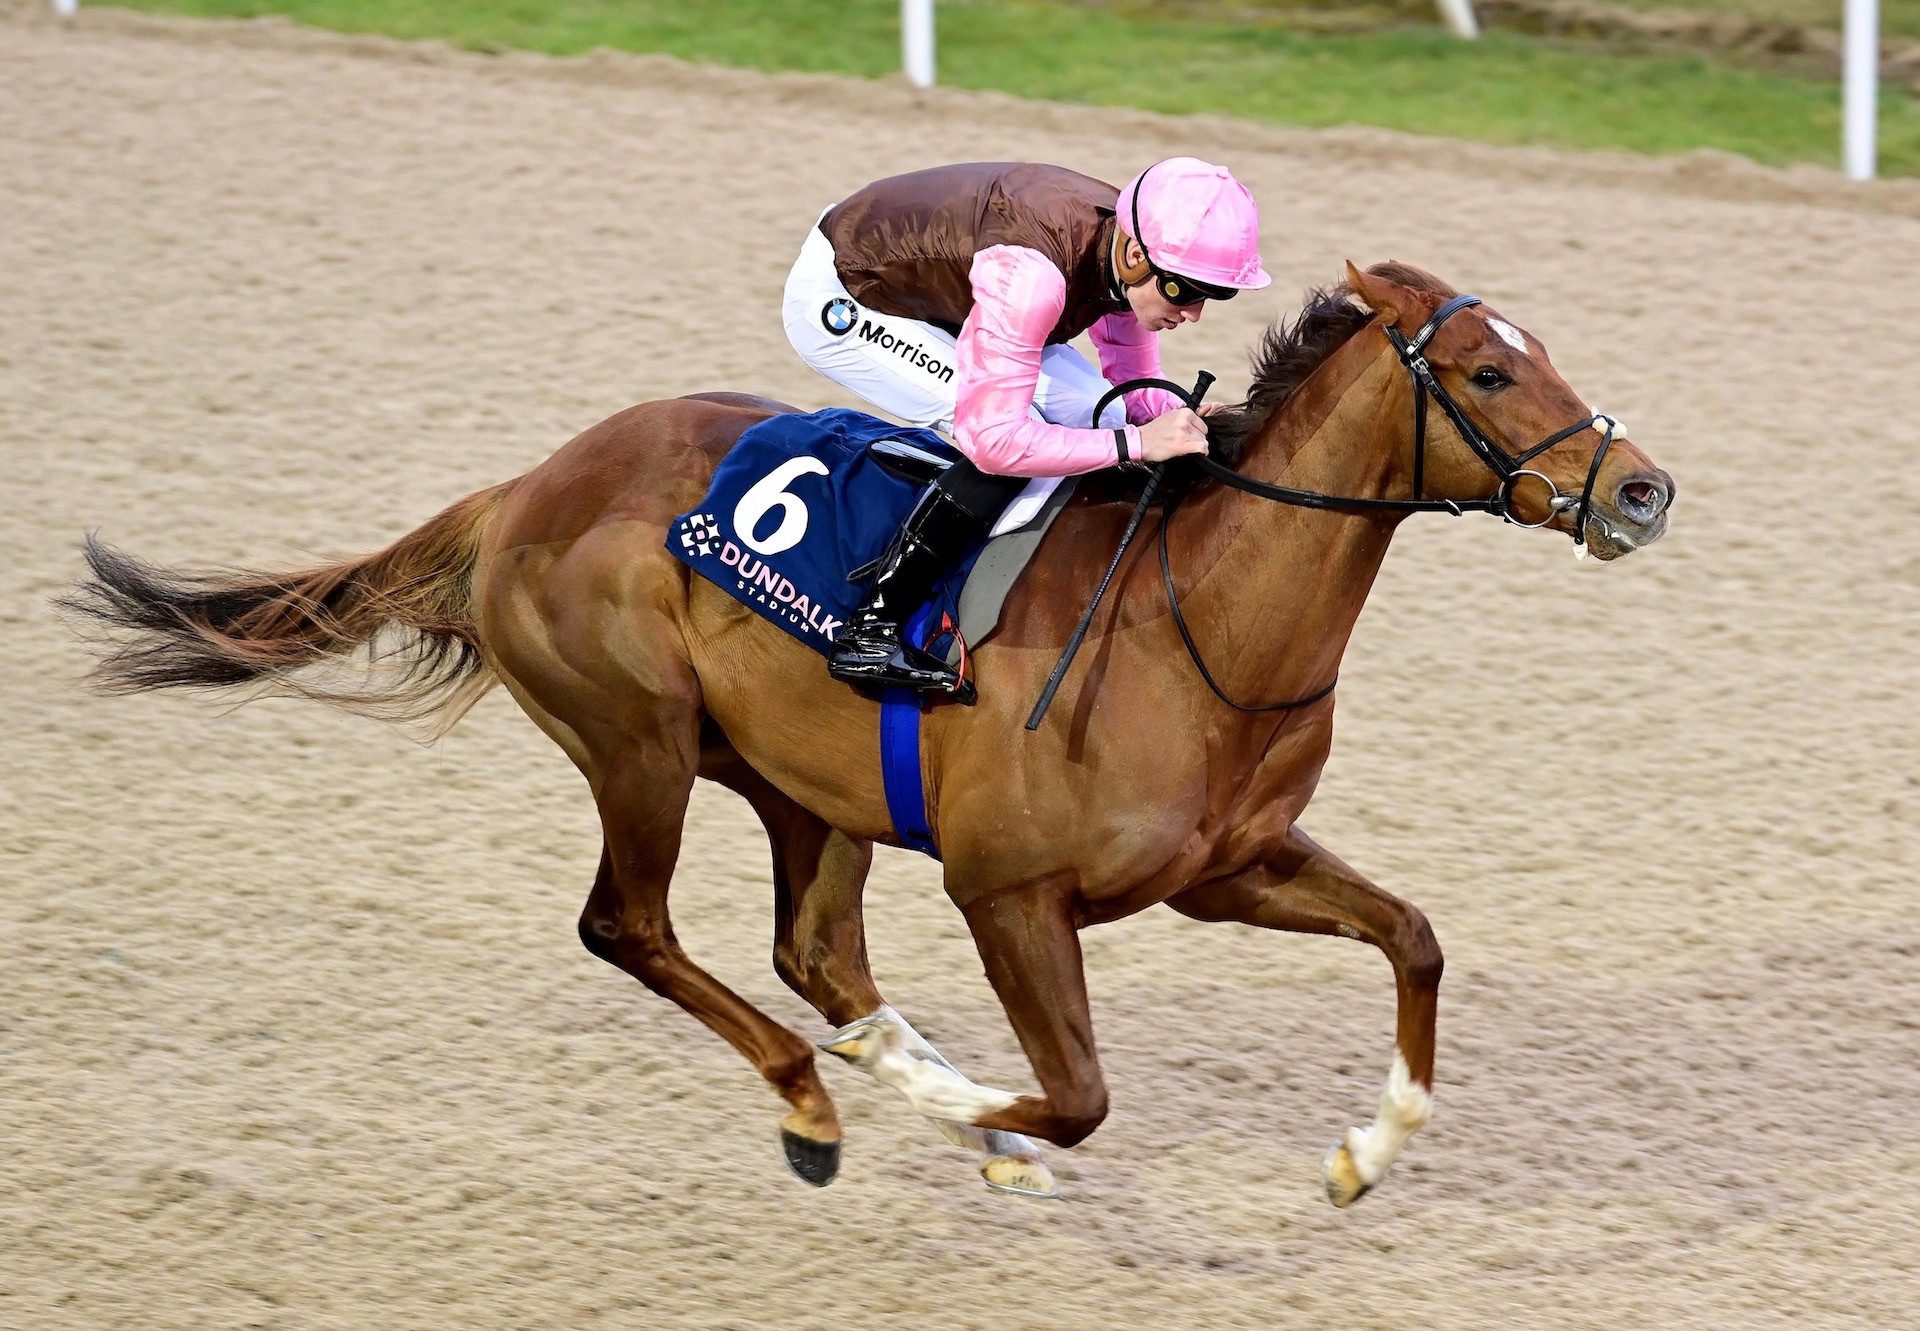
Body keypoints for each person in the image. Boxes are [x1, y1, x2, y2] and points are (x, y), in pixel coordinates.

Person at [782, 158, 1271, 701]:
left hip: (943, 288)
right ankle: (870, 632)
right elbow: (995, 443)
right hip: (849, 296)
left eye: (1213, 295)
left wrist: (1170, 419)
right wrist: (1136, 443)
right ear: (1136, 257)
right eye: (1185, 292)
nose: (1195, 313)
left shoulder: (1134, 237)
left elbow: (1130, 377)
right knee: (1019, 441)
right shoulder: (1033, 281)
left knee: (1101, 415)